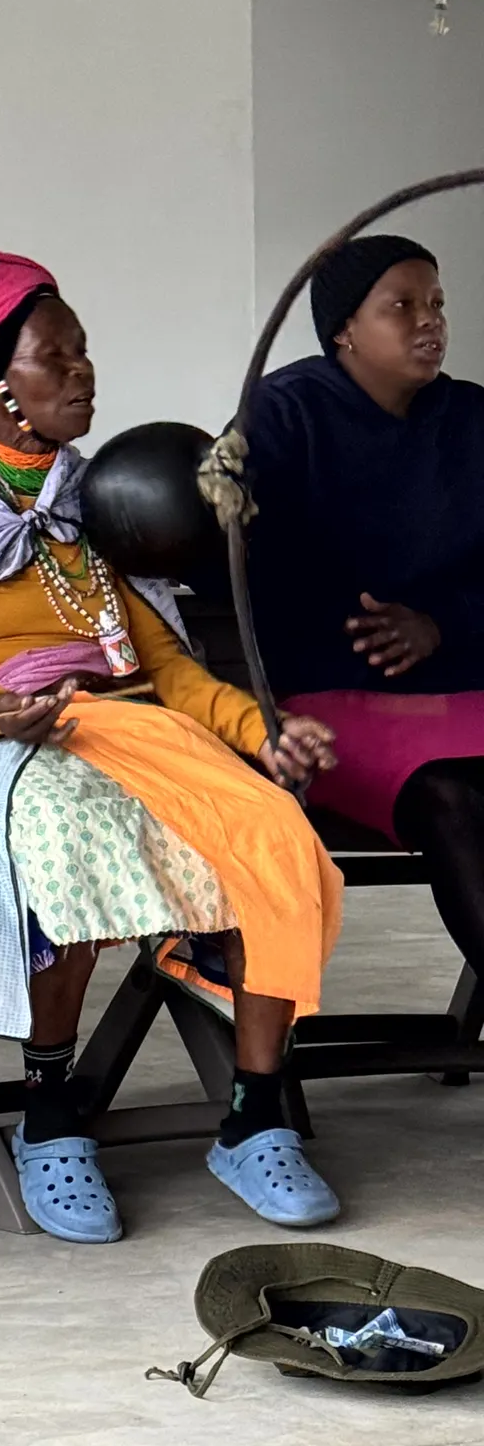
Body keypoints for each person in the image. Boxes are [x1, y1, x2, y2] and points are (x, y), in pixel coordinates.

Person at [0, 249, 343, 1244]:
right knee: (62, 825)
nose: (84, 372)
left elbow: (164, 664)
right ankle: (49, 1110)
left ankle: (253, 1116)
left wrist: (262, 731)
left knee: (269, 828)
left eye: (82, 353)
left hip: (123, 728)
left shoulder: (98, 496)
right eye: (57, 357)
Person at [247, 234, 484, 1009]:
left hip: (464, 685)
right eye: (403, 306)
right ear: (344, 327)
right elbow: (232, 560)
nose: (430, 323)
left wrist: (442, 624)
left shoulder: (472, 417)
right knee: (453, 796)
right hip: (329, 700)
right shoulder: (281, 417)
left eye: (437, 304)